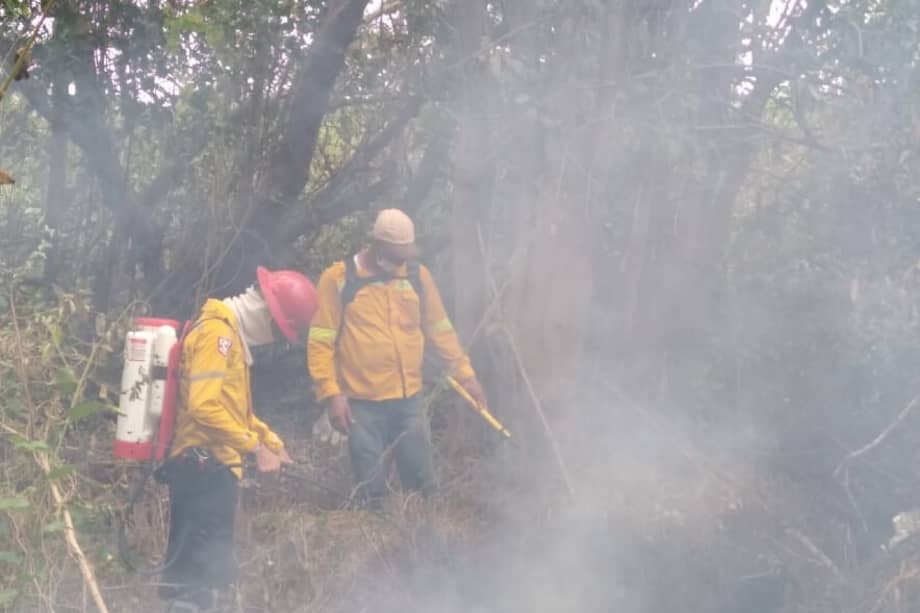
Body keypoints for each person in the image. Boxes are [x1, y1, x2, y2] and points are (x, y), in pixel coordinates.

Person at [158, 267, 317, 613]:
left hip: (212, 468)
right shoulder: (219, 336)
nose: (276, 337)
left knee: (208, 574)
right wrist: (254, 448)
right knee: (194, 579)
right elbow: (203, 407)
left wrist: (270, 440)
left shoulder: (228, 334)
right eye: (279, 328)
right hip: (203, 468)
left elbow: (233, 411)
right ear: (266, 313)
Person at [307, 208, 488, 507]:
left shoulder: (417, 277)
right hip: (361, 404)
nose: (399, 262)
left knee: (422, 486)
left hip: (409, 400)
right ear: (375, 245)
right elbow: (320, 343)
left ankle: (423, 535)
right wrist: (331, 394)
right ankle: (378, 539)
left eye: (404, 255)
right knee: (371, 490)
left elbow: (441, 331)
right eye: (394, 254)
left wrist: (467, 377)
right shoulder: (338, 278)